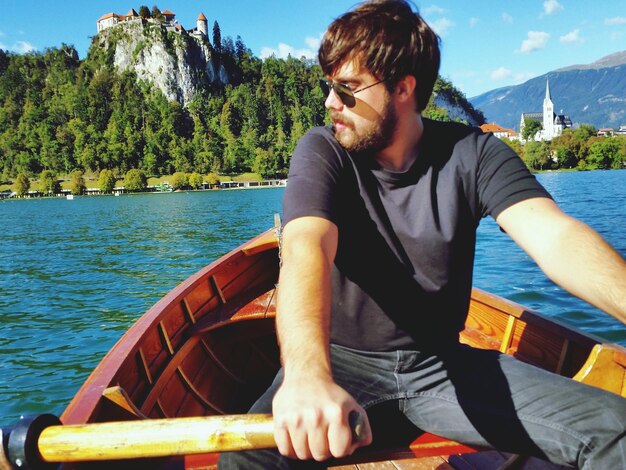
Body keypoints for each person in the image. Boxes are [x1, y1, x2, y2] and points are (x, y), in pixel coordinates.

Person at [219, 0, 626, 468]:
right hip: (342, 364)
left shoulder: (476, 154)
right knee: (248, 461)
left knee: (616, 431)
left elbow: (556, 238)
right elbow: (305, 247)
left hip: (441, 368)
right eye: (330, 86)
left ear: (403, 88)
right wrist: (307, 375)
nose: (331, 102)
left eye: (347, 89)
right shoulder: (324, 150)